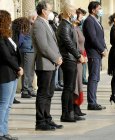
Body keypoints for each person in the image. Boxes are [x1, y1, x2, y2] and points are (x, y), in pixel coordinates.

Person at [32, 0, 63, 131]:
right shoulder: (38, 24)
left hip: (51, 63)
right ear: (43, 11)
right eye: (49, 10)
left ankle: (47, 118)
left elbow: (52, 43)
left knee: (49, 93)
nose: (51, 13)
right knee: (43, 93)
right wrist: (55, 58)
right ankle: (40, 121)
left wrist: (58, 56)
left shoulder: (46, 23)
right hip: (45, 64)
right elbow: (43, 47)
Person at [57, 2, 84, 122]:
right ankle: (66, 113)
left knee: (71, 87)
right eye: (73, 12)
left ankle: (71, 112)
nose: (75, 14)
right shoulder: (64, 25)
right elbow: (68, 43)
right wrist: (78, 55)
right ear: (68, 12)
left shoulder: (68, 24)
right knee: (68, 87)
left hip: (71, 58)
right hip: (68, 59)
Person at [0, 10, 23, 140]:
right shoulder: (0, 37)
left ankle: (4, 131)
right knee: (3, 104)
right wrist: (18, 67)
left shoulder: (7, 35)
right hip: (5, 73)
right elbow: (6, 56)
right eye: (9, 19)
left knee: (8, 104)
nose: (10, 22)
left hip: (12, 73)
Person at [83, 1, 107, 110]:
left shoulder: (96, 20)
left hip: (98, 53)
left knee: (96, 78)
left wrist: (105, 47)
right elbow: (93, 38)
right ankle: (91, 102)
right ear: (93, 10)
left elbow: (100, 37)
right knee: (93, 78)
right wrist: (101, 49)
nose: (101, 10)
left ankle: (94, 101)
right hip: (93, 52)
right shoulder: (89, 21)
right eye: (99, 8)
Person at [12, 17, 36, 99]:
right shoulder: (26, 27)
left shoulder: (29, 26)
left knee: (30, 71)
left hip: (30, 50)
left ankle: (29, 88)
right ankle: (25, 90)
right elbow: (20, 40)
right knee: (27, 71)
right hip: (27, 51)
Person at [72, 8, 87, 118]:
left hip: (81, 58)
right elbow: (74, 45)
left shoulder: (78, 27)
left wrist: (84, 55)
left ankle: (77, 107)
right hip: (76, 58)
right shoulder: (72, 28)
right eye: (80, 16)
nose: (81, 18)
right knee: (76, 83)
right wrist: (79, 55)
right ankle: (74, 106)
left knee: (79, 82)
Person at [48, 11, 63, 91]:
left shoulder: (54, 25)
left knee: (57, 69)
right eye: (55, 16)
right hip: (53, 51)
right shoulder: (51, 26)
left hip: (57, 50)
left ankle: (56, 83)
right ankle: (54, 83)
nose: (56, 18)